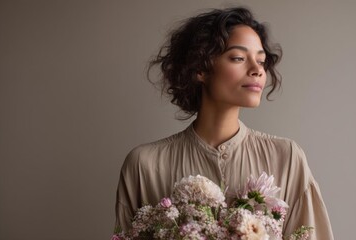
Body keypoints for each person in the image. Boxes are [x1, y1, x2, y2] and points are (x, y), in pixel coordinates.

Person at [114, 7, 333, 239]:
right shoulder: (144, 165)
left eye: (261, 60)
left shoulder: (287, 158)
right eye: (238, 58)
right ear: (200, 68)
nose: (257, 70)